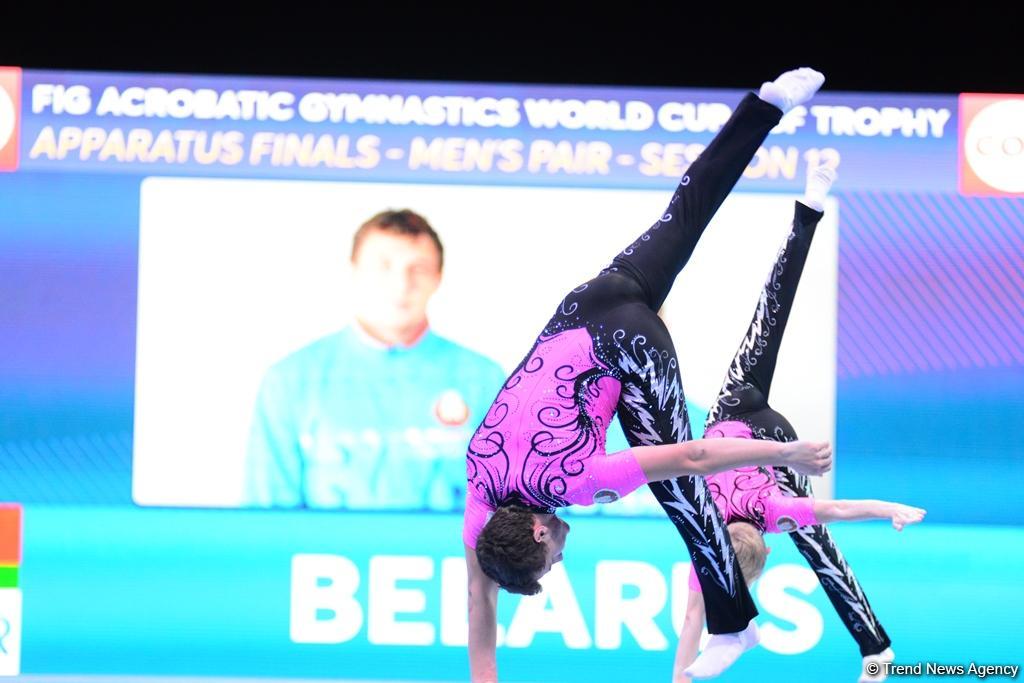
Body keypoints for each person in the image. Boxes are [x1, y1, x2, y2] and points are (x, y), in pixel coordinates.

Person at [464, 68, 832, 682]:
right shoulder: (478, 482)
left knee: (680, 490)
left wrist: (787, 450)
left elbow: (691, 459)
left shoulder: (574, 485)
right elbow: (479, 597)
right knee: (686, 216)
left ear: (535, 529)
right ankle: (766, 105)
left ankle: (734, 626)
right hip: (584, 304)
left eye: (548, 562)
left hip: (628, 343)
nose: (559, 561)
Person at [676, 166, 922, 682]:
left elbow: (839, 509)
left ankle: (876, 648)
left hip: (774, 445)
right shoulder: (707, 527)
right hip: (737, 414)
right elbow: (692, 621)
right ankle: (808, 207)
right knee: (772, 310)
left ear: (765, 549)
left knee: (819, 542)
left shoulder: (771, 515)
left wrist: (889, 508)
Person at [245, 209, 506, 510]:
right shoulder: (291, 380)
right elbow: (265, 520)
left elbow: (521, 510)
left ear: (438, 277)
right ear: (354, 270)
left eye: (418, 268)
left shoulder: (484, 380)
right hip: (325, 557)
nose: (401, 283)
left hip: (454, 557)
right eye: (383, 266)